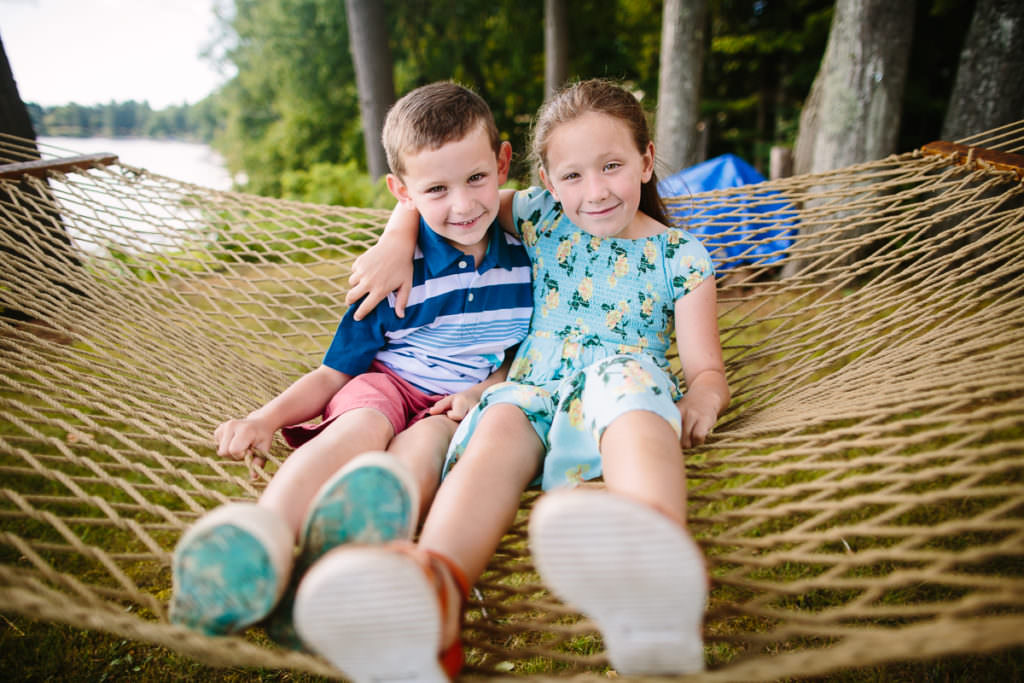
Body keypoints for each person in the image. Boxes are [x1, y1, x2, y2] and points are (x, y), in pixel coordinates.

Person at [291, 78, 730, 681]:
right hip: (532, 386)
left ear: (646, 160)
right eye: (572, 175)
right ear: (547, 181)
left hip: (618, 381)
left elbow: (705, 367)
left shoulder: (681, 256)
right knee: (495, 424)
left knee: (632, 398)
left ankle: (657, 563)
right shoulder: (538, 214)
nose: (594, 191)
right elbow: (435, 191)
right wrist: (396, 236)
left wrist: (705, 392)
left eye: (612, 166)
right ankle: (435, 592)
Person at [168, 82, 534, 643]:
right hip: (384, 384)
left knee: (418, 461)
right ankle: (262, 535)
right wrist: (265, 419)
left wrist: (488, 385)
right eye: (436, 188)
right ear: (402, 191)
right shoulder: (395, 273)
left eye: (477, 179)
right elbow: (334, 373)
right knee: (361, 428)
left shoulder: (528, 259)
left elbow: (519, 349)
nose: (463, 205)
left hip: (447, 409)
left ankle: (339, 570)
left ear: (503, 162)